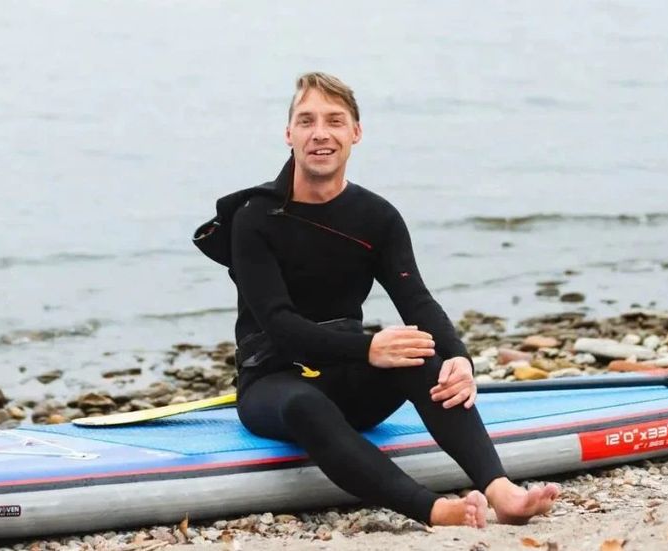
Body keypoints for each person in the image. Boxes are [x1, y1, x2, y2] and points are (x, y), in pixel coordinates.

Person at [194, 72, 559, 528]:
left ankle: (500, 489)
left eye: (334, 120)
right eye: (306, 121)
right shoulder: (255, 219)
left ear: (355, 133)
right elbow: (279, 325)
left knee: (422, 358)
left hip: (348, 383)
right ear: (289, 134)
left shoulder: (378, 218)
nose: (320, 133)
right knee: (308, 404)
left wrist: (459, 358)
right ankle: (431, 509)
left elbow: (417, 299)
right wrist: (368, 348)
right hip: (273, 383)